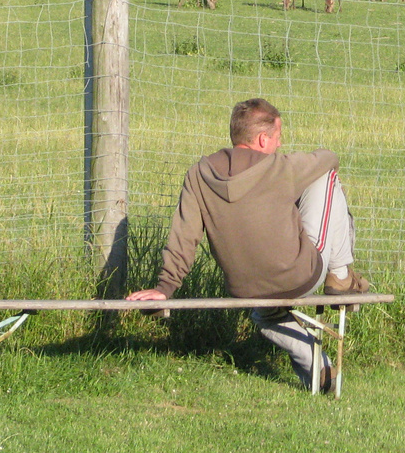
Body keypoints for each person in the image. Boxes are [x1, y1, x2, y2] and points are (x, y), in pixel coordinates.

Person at [126, 97, 369, 391]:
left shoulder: (199, 174)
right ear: (264, 139)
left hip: (246, 291)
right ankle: (341, 276)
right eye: (278, 138)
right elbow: (329, 158)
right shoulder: (281, 166)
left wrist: (165, 287)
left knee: (265, 313)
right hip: (301, 275)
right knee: (325, 177)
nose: (280, 145)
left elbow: (184, 235)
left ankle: (320, 368)